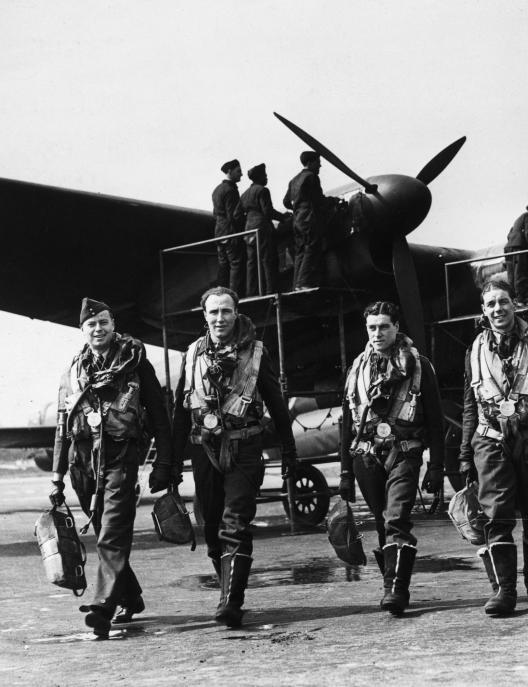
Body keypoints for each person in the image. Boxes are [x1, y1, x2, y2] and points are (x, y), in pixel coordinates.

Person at [171, 286, 297, 628]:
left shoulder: (256, 353)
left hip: (245, 447)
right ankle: (227, 587)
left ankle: (231, 602)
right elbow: (181, 412)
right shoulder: (193, 354)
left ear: (236, 313)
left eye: (226, 311)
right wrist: (169, 464)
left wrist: (290, 452)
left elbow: (277, 405)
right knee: (211, 529)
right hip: (204, 449)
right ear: (204, 316)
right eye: (213, 312)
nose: (220, 318)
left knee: (235, 524)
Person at [50, 298, 175, 638]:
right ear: (82, 331)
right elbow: (62, 427)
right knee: (109, 533)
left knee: (113, 531)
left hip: (120, 459)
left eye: (103, 321)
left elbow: (161, 418)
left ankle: (103, 606)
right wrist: (57, 476)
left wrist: (166, 462)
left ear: (113, 324)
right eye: (91, 324)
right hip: (82, 464)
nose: (98, 328)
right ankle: (130, 598)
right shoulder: (73, 371)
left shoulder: (135, 365)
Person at [459, 279, 528, 616]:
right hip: (490, 439)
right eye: (491, 304)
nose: (498, 309)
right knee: (496, 514)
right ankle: (504, 590)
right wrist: (466, 452)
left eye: (503, 302)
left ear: (514, 304)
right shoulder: (474, 350)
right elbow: (469, 405)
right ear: (484, 311)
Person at [338, 301, 446, 616]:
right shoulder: (356, 368)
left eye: (384, 326)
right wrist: (345, 473)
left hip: (405, 451)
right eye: (372, 327)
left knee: (396, 518)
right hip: (365, 456)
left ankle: (397, 591)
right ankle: (390, 584)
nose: (378, 333)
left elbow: (437, 421)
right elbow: (347, 423)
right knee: (382, 522)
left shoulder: (419, 365)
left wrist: (437, 468)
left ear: (396, 327)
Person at [283, 151, 327, 289]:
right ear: (310, 162)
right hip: (309, 219)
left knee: (300, 252)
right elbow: (319, 199)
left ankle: (297, 284)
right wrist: (332, 201)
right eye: (318, 162)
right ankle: (304, 283)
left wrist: (297, 208)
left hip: (297, 221)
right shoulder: (311, 177)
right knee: (311, 248)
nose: (320, 165)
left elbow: (285, 202)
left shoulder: (294, 180)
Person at [241, 163, 286, 297]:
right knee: (268, 259)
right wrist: (283, 217)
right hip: (262, 229)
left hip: (248, 230)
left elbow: (238, 214)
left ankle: (251, 292)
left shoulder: (244, 195)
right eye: (265, 176)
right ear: (260, 177)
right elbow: (268, 212)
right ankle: (271, 291)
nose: (267, 178)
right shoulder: (263, 190)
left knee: (252, 263)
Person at [212, 159, 246, 296]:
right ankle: (234, 296)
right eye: (238, 171)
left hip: (219, 233)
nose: (241, 174)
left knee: (223, 265)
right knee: (236, 264)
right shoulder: (231, 190)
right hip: (230, 232)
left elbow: (216, 214)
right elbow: (234, 215)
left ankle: (220, 295)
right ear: (230, 171)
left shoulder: (217, 190)